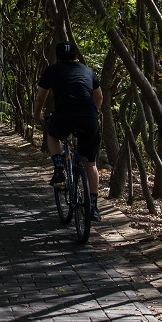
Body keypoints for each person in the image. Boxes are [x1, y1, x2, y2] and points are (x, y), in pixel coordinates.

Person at [32, 40, 103, 222]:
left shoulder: (51, 70)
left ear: (57, 57)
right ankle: (93, 207)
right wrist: (93, 114)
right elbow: (99, 97)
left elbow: (40, 97)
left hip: (63, 116)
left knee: (53, 135)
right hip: (89, 118)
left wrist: (37, 115)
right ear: (75, 56)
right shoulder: (88, 71)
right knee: (91, 164)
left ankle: (59, 168)